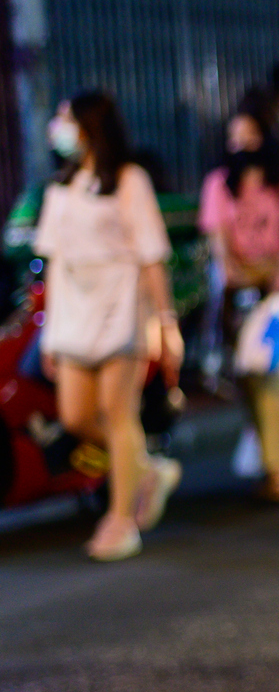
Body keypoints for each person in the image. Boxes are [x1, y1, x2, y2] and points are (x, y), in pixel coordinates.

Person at [32, 92, 182, 561]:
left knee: (119, 415)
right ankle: (147, 468)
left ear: (89, 125)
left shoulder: (129, 180)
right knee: (76, 416)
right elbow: (53, 262)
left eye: (65, 119)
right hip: (73, 316)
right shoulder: (61, 186)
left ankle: (121, 521)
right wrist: (49, 331)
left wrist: (166, 320)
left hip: (121, 309)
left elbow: (152, 255)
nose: (58, 128)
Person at [199, 97, 279, 503]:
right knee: (248, 380)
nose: (241, 144)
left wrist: (276, 275)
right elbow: (220, 250)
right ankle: (269, 455)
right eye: (235, 137)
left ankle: (278, 469)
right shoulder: (218, 185)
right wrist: (248, 274)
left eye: (250, 136)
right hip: (239, 300)